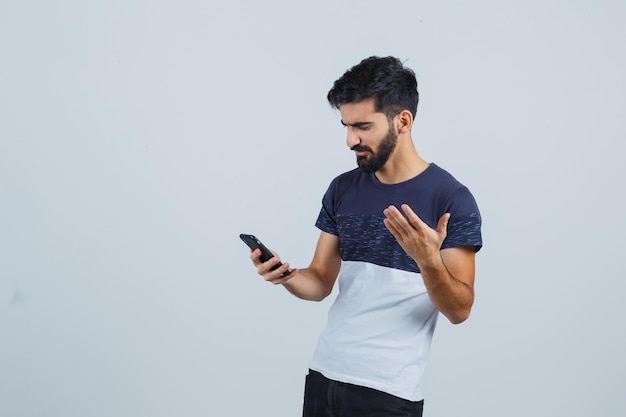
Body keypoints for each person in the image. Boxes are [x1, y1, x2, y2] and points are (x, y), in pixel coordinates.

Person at [249, 56, 482, 417]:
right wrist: (287, 276)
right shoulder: (342, 188)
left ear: (402, 121)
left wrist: (428, 260)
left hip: (388, 392)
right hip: (324, 376)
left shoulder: (450, 198)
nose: (349, 139)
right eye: (345, 125)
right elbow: (320, 282)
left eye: (362, 126)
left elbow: (459, 309)